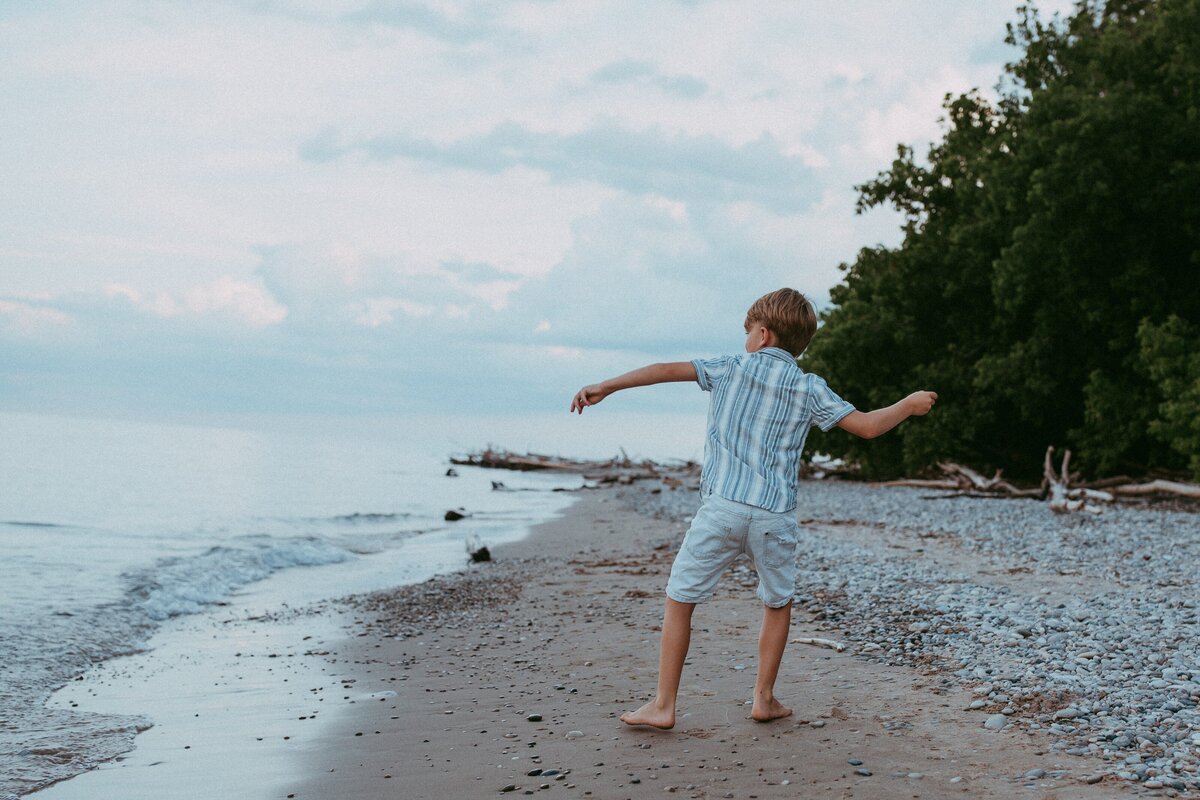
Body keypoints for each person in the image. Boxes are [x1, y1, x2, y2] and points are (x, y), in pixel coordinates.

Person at [569, 288, 937, 729]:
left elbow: (662, 370)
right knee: (777, 604)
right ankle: (763, 698)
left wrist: (606, 386)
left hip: (721, 509)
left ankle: (664, 704)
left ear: (762, 334)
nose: (745, 339)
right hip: (773, 516)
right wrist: (909, 405)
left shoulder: (730, 367)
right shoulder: (808, 386)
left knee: (680, 599)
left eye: (747, 332)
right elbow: (868, 426)